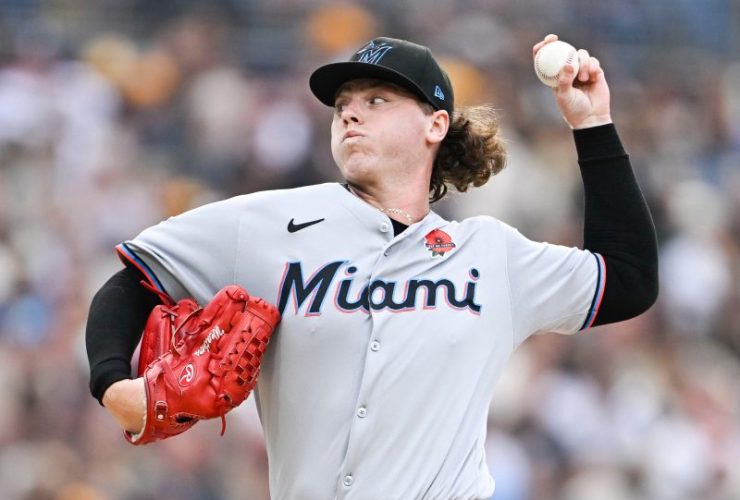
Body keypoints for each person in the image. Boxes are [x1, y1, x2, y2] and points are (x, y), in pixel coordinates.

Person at [86, 34, 658, 499]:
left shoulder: (491, 256)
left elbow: (628, 278)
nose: (350, 114)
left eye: (377, 100)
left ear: (435, 125)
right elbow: (134, 280)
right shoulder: (266, 224)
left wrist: (593, 125)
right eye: (342, 106)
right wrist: (113, 384)